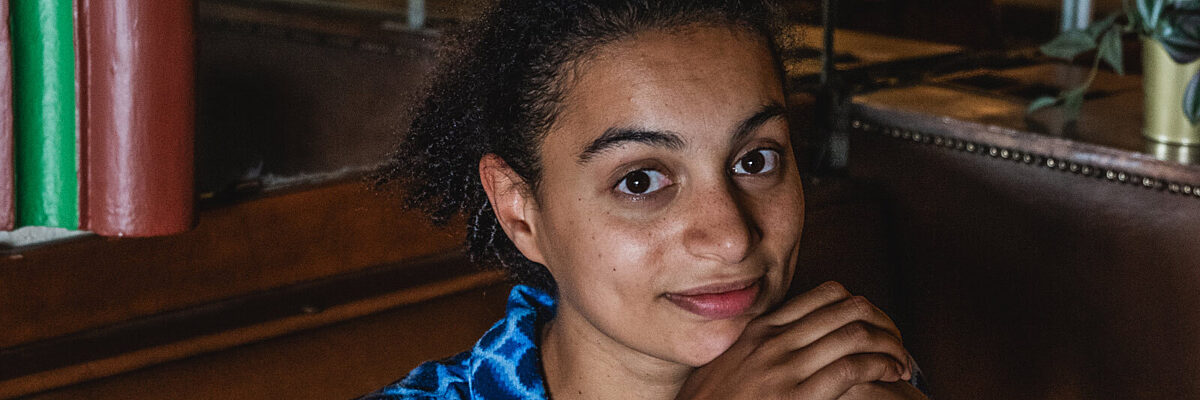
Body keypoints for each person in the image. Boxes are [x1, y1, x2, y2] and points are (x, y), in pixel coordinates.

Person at [365, 0, 928, 398]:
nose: (732, 238)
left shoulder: (848, 376)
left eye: (755, 160)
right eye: (640, 181)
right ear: (520, 210)